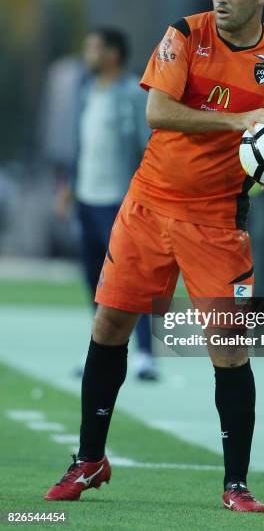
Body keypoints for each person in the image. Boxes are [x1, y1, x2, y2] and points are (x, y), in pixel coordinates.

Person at [45, 0, 264, 512]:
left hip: (218, 223)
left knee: (229, 350)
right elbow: (159, 112)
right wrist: (240, 119)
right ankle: (88, 460)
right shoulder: (184, 35)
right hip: (147, 205)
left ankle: (235, 485)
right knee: (110, 323)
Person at [56, 28, 157, 380]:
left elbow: (147, 146)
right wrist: (70, 185)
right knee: (94, 280)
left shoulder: (132, 93)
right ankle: (99, 350)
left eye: (94, 47)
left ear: (113, 54)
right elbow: (81, 142)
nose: (88, 53)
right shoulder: (86, 91)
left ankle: (146, 353)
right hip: (87, 198)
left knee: (130, 279)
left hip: (119, 201)